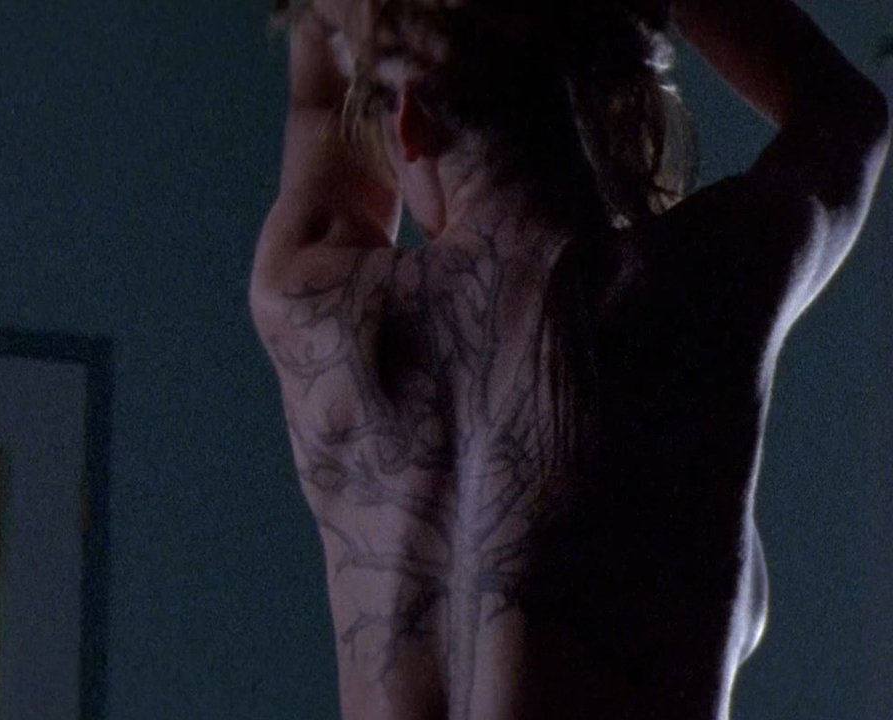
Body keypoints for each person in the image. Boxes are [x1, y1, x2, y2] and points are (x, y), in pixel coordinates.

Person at [249, 0, 890, 717]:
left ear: (409, 123)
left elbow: (318, 99)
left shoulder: (323, 317)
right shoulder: (696, 287)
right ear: (615, 92)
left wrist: (388, 34)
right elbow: (844, 116)